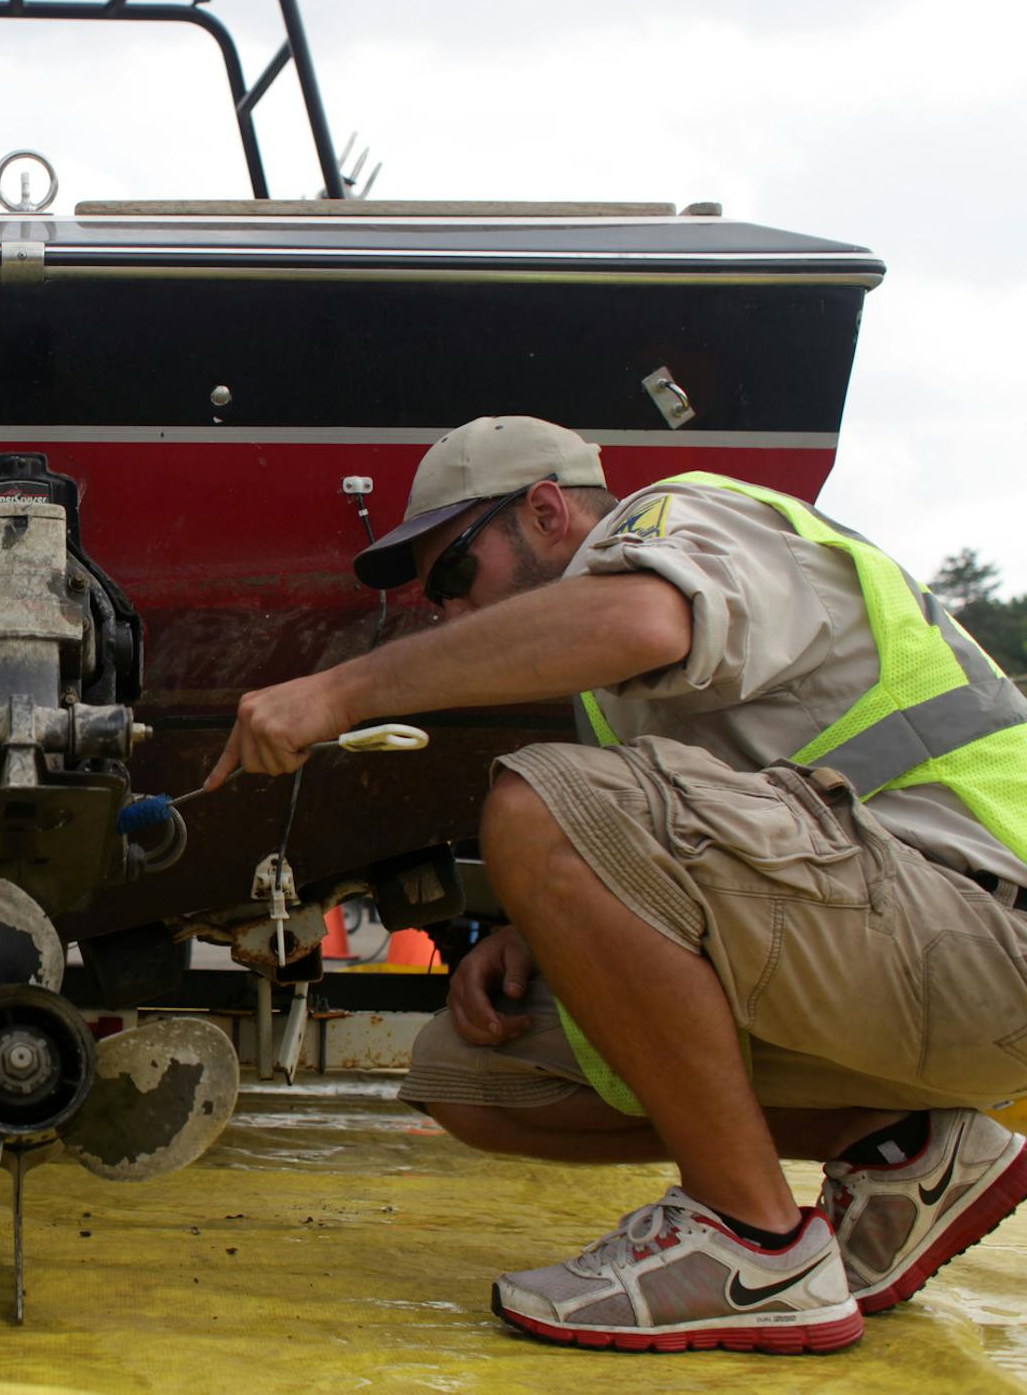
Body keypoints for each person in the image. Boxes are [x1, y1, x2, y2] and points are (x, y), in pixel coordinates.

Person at [208, 415, 1027, 1354]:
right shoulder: (623, 698)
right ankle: (908, 1143)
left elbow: (639, 617)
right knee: (472, 1076)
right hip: (912, 954)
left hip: (988, 927)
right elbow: (735, 840)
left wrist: (337, 693)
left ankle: (752, 1243)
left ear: (548, 511)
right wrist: (548, 924)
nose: (449, 616)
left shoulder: (689, 517)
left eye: (452, 577)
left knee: (540, 799)